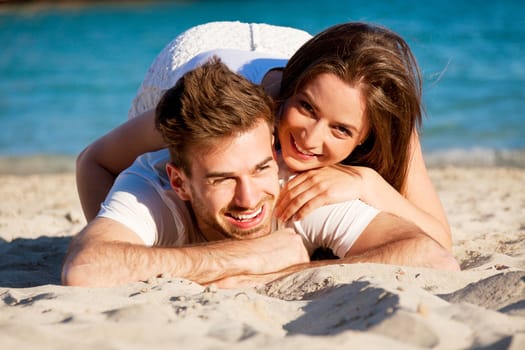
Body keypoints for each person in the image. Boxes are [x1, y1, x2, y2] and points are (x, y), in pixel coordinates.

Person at [62, 59, 458, 288]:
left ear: (273, 152)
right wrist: (252, 254)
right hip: (195, 62)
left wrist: (287, 271)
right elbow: (86, 267)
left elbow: (434, 254)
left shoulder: (300, 178)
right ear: (178, 181)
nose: (249, 199)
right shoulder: (152, 180)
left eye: (260, 168)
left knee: (381, 108)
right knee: (178, 118)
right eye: (222, 179)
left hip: (305, 72)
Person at [75, 21, 452, 253]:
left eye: (341, 130)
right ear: (289, 91)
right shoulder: (218, 105)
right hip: (197, 54)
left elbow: (439, 240)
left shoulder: (369, 108)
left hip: (293, 44)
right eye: (306, 108)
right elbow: (93, 161)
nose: (310, 138)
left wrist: (368, 183)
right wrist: (123, 233)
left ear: (365, 136)